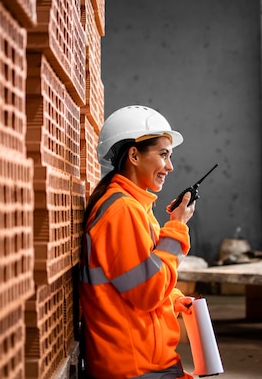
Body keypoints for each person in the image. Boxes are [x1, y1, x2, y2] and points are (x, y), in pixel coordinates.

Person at [79, 105, 196, 379]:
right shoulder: (122, 211)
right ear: (134, 155)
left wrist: (173, 299)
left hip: (144, 361)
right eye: (163, 155)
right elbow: (146, 292)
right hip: (135, 367)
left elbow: (135, 280)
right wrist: (177, 227)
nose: (170, 166)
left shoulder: (135, 207)